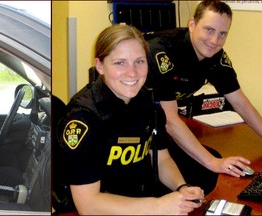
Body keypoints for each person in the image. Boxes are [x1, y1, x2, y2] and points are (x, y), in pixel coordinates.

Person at [56, 24, 204, 215]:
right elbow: (88, 204)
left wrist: (181, 187)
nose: (132, 73)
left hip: (139, 204)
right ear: (100, 65)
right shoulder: (83, 118)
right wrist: (158, 206)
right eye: (120, 63)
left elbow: (160, 158)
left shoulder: (146, 100)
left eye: (139, 62)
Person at [146, 0, 262, 193]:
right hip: (123, 125)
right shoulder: (162, 52)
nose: (215, 40)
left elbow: (239, 101)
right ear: (191, 24)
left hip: (157, 121)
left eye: (222, 34)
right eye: (209, 30)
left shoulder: (215, 56)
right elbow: (170, 119)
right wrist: (213, 162)